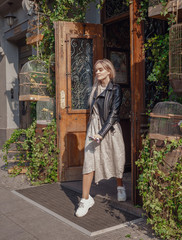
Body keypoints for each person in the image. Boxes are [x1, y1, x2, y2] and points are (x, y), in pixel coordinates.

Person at [75, 59, 126, 218]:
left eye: (101, 70)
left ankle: (120, 186)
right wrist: (94, 131)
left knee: (116, 157)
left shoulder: (116, 89)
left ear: (109, 72)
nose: (97, 72)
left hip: (109, 128)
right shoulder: (94, 90)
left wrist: (101, 133)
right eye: (96, 70)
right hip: (94, 128)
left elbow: (114, 114)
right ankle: (85, 200)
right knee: (89, 160)